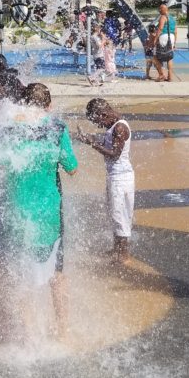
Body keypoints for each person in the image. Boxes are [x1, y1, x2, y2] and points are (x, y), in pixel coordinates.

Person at [3, 83, 78, 338]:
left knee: (22, 272)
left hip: (18, 209)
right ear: (49, 106)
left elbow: (1, 166)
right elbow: (71, 167)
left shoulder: (11, 127)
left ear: (24, 104)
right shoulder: (57, 127)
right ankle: (64, 328)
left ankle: (28, 333)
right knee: (57, 273)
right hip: (49, 212)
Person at [75, 99, 134, 263]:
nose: (98, 125)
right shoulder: (113, 126)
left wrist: (92, 143)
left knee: (120, 214)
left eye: (97, 121)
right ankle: (117, 249)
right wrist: (88, 139)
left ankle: (124, 255)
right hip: (115, 176)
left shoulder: (120, 127)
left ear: (103, 114)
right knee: (114, 212)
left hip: (121, 178)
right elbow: (108, 144)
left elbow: (114, 153)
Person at [150, 3, 176, 82]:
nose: (159, 10)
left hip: (163, 37)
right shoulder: (172, 18)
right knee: (169, 57)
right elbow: (175, 31)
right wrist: (175, 43)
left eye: (160, 9)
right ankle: (170, 77)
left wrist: (155, 39)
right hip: (171, 37)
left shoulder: (163, 17)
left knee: (154, 57)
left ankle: (161, 75)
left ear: (165, 9)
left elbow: (160, 28)